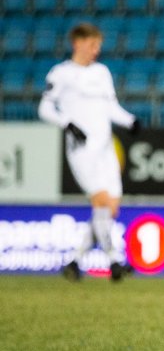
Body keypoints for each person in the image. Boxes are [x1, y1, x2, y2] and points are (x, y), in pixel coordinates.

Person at [38, 22, 140, 282]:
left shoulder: (102, 72)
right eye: (93, 45)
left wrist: (130, 120)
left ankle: (74, 261)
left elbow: (111, 107)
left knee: (110, 208)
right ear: (78, 43)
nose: (96, 51)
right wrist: (68, 124)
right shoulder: (60, 74)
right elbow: (45, 109)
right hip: (82, 151)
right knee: (102, 201)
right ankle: (115, 261)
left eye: (98, 46)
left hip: (105, 149)